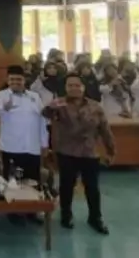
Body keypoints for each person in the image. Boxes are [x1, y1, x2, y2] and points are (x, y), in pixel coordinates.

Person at [43, 73, 114, 235]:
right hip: (67, 152)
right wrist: (51, 108)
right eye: (70, 85)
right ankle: (66, 215)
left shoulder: (95, 107)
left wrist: (111, 150)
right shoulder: (59, 104)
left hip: (90, 152)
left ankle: (95, 218)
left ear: (83, 87)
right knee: (67, 186)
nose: (74, 88)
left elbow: (105, 130)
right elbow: (45, 114)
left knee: (92, 188)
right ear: (66, 88)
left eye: (77, 85)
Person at [0, 65, 49, 224]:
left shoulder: (34, 97)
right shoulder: (2, 96)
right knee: (13, 181)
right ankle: (14, 211)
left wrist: (44, 143)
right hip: (11, 147)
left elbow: (42, 120)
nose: (16, 82)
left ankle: (33, 210)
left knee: (33, 180)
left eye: (19, 79)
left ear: (24, 81)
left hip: (32, 146)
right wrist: (4, 107)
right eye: (12, 79)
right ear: (8, 81)